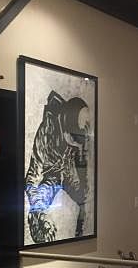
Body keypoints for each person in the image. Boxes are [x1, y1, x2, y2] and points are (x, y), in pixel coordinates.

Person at [25, 90, 91, 243]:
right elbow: (32, 178)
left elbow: (80, 178)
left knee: (85, 197)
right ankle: (39, 219)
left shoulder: (78, 132)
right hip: (51, 176)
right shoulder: (46, 132)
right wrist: (39, 209)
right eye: (74, 139)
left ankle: (81, 234)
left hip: (66, 170)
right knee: (40, 203)